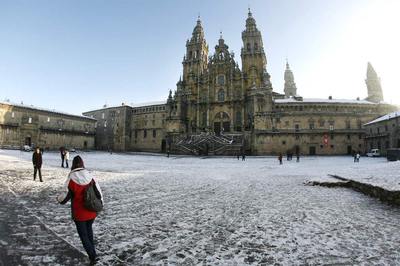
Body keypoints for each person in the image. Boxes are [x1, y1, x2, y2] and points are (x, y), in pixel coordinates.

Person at [58, 156, 103, 264]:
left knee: (83, 235)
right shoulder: (90, 176)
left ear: (73, 164)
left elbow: (64, 197)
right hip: (91, 211)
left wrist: (58, 199)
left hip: (79, 214)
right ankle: (93, 252)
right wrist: (101, 204)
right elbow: (99, 193)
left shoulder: (71, 178)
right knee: (89, 232)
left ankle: (93, 256)